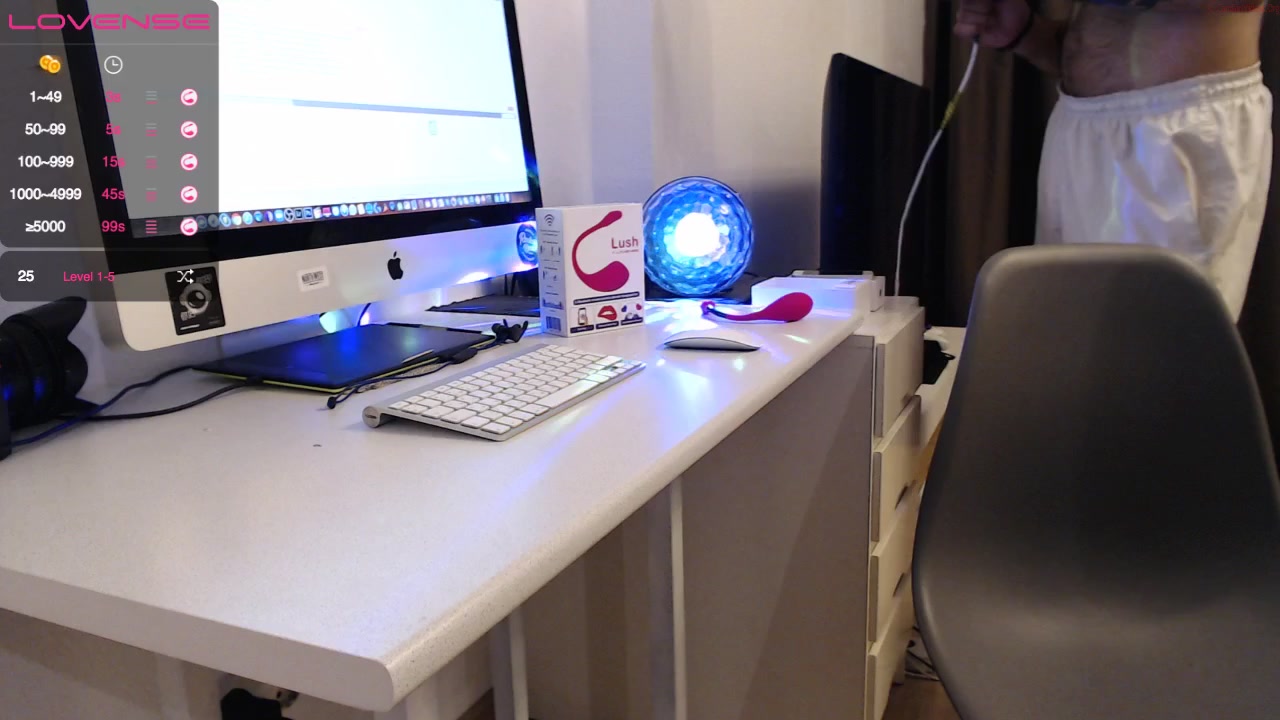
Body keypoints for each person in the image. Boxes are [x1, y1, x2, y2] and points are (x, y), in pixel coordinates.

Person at [956, 0, 1272, 319]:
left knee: (1155, 331)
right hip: (1079, 128)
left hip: (1173, 129)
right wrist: (1027, 35)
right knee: (1070, 326)